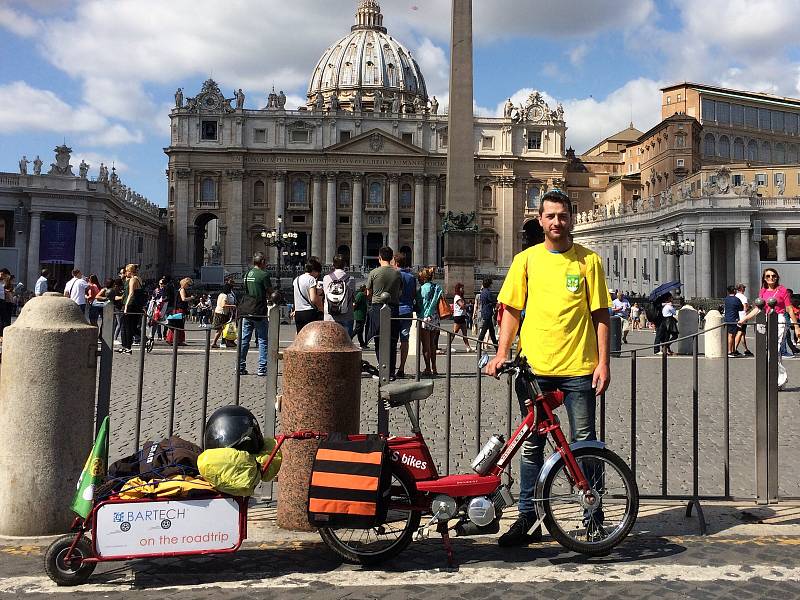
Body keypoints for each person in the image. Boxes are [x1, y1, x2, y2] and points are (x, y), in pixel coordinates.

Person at [485, 189, 610, 547]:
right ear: (540, 220)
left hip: (578, 369)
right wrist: (501, 352)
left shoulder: (589, 262)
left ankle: (594, 514)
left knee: (585, 444)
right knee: (532, 445)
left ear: (571, 218)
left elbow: (601, 315)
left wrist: (603, 362)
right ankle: (528, 516)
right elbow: (510, 310)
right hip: (534, 370)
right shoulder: (526, 261)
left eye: (563, 215)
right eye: (550, 216)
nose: (557, 222)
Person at [740, 267, 799, 389]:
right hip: (765, 320)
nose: (771, 278)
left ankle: (779, 379)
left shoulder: (782, 290)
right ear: (764, 278)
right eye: (768, 276)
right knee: (769, 351)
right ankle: (780, 381)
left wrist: (796, 326)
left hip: (780, 320)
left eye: (773, 276)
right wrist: (744, 319)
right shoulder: (762, 291)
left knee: (775, 350)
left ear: (777, 277)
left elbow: (789, 308)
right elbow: (758, 308)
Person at [366, 246, 402, 378]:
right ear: (392, 258)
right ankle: (391, 371)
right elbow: (400, 291)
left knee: (378, 339)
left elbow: (368, 293)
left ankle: (382, 369)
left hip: (377, 308)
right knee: (392, 341)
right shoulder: (397, 273)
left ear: (379, 258)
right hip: (393, 308)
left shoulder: (374, 273)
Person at [238, 251, 273, 376]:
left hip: (246, 309)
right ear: (262, 262)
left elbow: (247, 290)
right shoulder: (264, 275)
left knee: (244, 339)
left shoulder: (247, 274)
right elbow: (270, 292)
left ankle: (240, 366)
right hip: (258, 310)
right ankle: (262, 368)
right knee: (263, 339)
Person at [393, 252, 417, 378]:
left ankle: (390, 367)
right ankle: (401, 368)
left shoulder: (393, 275)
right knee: (404, 339)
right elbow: (413, 295)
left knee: (391, 339)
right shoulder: (411, 277)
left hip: (395, 310)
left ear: (396, 263)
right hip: (407, 310)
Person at [416, 266, 442, 376]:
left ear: (423, 277)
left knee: (425, 345)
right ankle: (434, 367)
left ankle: (427, 368)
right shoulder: (437, 287)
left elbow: (418, 304)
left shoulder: (421, 289)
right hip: (435, 317)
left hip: (424, 318)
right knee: (432, 344)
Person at [323, 254, 356, 336]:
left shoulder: (326, 278)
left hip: (330, 316)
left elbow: (325, 294)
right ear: (345, 264)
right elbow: (352, 296)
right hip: (346, 314)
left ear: (333, 264)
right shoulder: (351, 279)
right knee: (346, 344)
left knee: (330, 343)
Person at [293, 257, 323, 333]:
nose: (317, 275)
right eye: (318, 272)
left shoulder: (297, 279)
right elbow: (313, 298)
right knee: (311, 336)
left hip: (298, 312)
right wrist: (320, 307)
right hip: (309, 312)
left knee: (301, 336)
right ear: (314, 270)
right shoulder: (311, 279)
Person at [119, 264, 144, 354]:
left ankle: (128, 347)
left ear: (130, 271)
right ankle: (127, 346)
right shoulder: (139, 278)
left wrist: (126, 305)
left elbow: (131, 293)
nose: (126, 273)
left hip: (131, 305)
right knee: (131, 326)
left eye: (126, 271)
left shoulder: (133, 279)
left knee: (128, 327)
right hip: (136, 305)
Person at [212, 283, 235, 349]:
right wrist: (232, 306)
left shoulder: (221, 294)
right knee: (220, 329)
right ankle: (214, 342)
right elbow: (223, 305)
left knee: (223, 329)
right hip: (221, 313)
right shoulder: (224, 295)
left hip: (220, 313)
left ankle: (220, 342)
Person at [452, 282, 474, 352]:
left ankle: (468, 347)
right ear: (458, 289)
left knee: (464, 333)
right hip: (458, 316)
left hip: (461, 316)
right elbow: (462, 305)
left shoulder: (460, 297)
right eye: (462, 288)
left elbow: (463, 306)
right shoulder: (457, 297)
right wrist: (466, 305)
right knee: (454, 332)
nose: (463, 290)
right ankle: (448, 346)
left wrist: (465, 306)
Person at [723, 286, 744, 358]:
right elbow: (741, 308)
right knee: (732, 335)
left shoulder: (726, 299)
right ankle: (730, 351)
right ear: (734, 291)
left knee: (730, 335)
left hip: (727, 319)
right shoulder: (736, 299)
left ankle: (732, 350)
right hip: (734, 319)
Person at [478, 278, 497, 347]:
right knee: (484, 331)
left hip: (485, 311)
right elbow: (492, 301)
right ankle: (478, 345)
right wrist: (495, 303)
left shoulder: (482, 292)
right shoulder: (488, 292)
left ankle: (496, 346)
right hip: (488, 312)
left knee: (491, 332)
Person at [734, 283, 752, 356]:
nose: (745, 289)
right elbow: (745, 308)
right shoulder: (743, 297)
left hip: (736, 316)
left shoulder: (736, 296)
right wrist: (749, 308)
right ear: (741, 289)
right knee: (740, 332)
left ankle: (746, 349)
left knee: (742, 334)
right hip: (743, 317)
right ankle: (734, 349)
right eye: (744, 287)